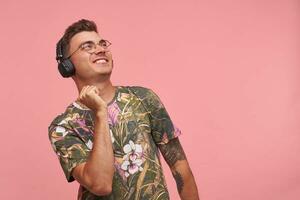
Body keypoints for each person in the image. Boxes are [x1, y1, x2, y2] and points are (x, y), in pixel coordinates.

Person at [48, 19, 199, 200]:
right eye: (87, 46)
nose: (100, 49)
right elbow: (100, 185)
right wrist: (101, 113)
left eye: (102, 44)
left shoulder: (143, 98)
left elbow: (180, 168)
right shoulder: (63, 127)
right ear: (67, 65)